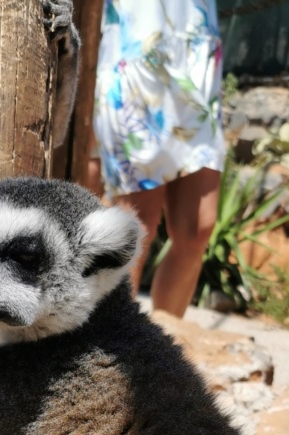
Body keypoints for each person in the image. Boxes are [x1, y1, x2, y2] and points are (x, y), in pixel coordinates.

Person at [92, 0, 226, 317]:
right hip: (138, 43)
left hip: (196, 49)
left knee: (198, 228)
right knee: (136, 226)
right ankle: (116, 352)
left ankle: (162, 354)